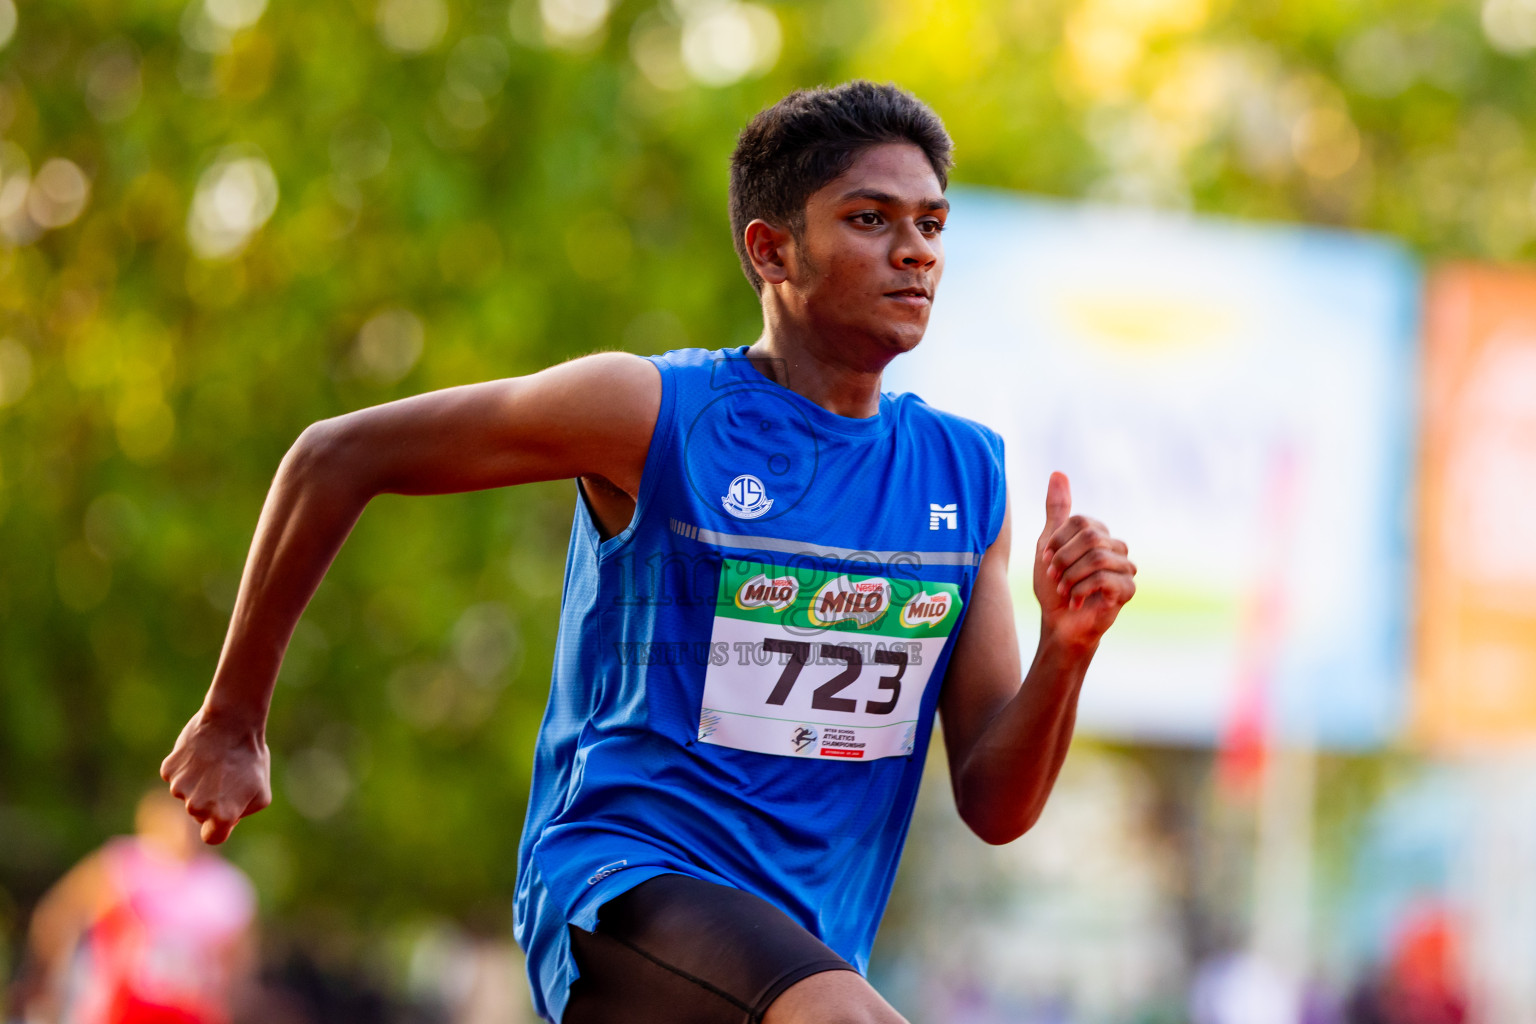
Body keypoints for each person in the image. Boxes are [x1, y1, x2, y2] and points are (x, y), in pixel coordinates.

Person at [159, 81, 1137, 1024]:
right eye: (871, 219)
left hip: (803, 949)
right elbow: (337, 454)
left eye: (932, 224)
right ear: (772, 250)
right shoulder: (652, 413)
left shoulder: (966, 476)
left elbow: (995, 803)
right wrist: (234, 715)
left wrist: (1069, 647)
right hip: (618, 886)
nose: (915, 252)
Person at [12, 789, 257, 1024]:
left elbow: (239, 962)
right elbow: (58, 916)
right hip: (114, 1009)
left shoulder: (226, 887)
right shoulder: (122, 865)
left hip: (191, 1011)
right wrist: (48, 981)